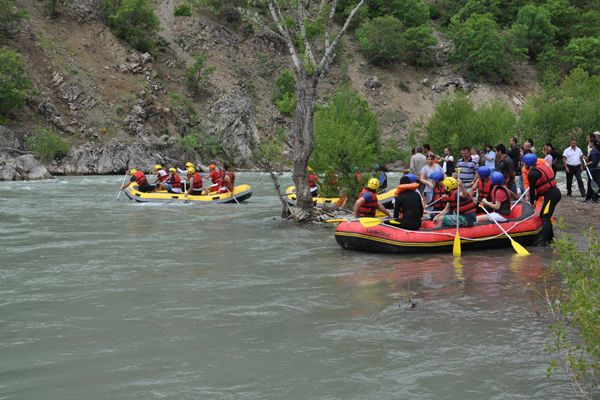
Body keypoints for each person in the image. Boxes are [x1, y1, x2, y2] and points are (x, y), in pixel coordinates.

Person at [525, 153, 561, 245]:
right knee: (544, 215)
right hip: (554, 193)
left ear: (527, 163)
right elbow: (543, 188)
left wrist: (532, 202)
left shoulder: (532, 174)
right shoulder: (542, 167)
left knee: (545, 218)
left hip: (551, 196)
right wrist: (536, 199)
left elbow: (533, 190)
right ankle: (551, 239)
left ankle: (543, 242)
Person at [583, 138, 600, 203]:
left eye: (589, 143)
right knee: (593, 184)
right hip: (596, 169)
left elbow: (593, 161)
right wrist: (586, 158)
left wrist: (586, 164)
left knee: (593, 185)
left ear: (592, 143)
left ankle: (594, 198)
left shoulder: (593, 151)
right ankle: (589, 198)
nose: (588, 144)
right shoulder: (596, 151)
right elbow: (592, 159)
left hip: (593, 170)